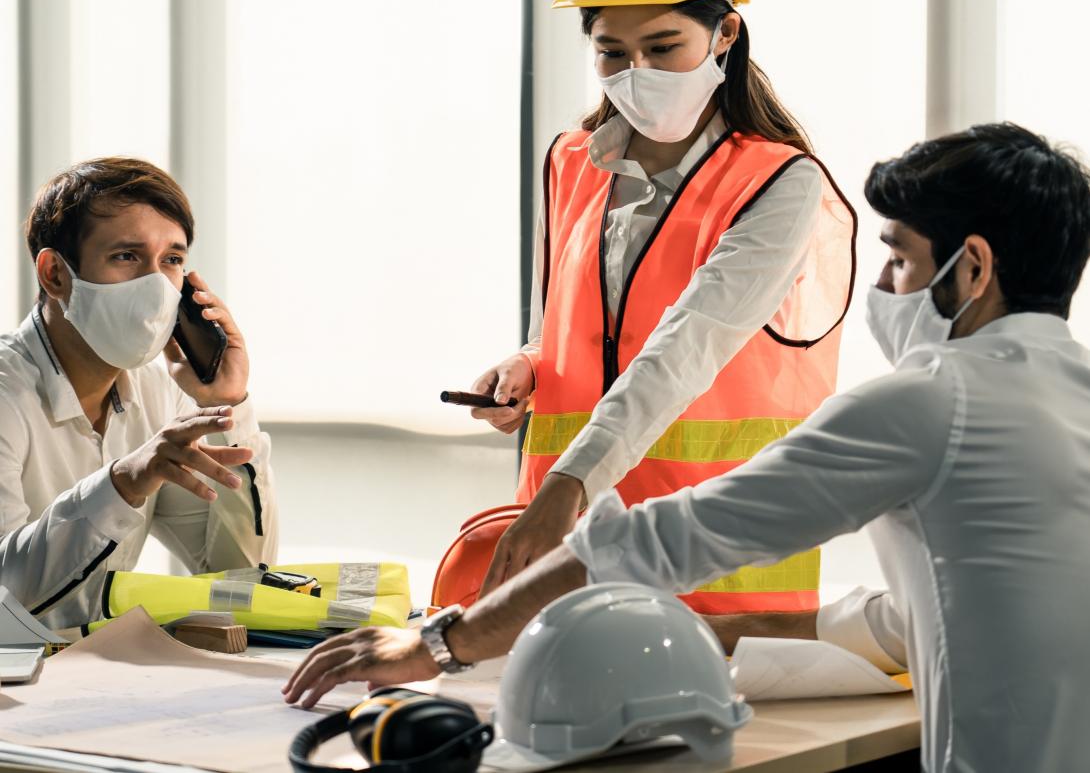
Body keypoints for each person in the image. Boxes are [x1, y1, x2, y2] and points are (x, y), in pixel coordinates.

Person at [284, 123, 1090, 773]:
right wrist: (712, 633)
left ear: (972, 266)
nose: (882, 288)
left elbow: (663, 538)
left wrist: (437, 642)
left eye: (899, 258)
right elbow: (939, 609)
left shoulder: (932, 395)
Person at [470, 0, 857, 615]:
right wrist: (526, 365)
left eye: (662, 47)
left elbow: (687, 345)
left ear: (725, 33)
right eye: (611, 52)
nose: (635, 71)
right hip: (569, 559)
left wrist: (566, 485)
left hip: (715, 571)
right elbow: (570, 324)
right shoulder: (571, 162)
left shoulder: (778, 181)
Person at [0, 157, 278, 629]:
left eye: (171, 260)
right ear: (54, 275)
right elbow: (5, 598)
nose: (155, 286)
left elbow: (238, 577)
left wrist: (227, 408)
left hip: (103, 676)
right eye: (126, 256)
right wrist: (122, 482)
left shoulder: (158, 390)